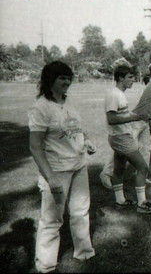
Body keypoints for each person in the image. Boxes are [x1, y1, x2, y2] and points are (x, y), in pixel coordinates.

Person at [28, 61, 96, 272]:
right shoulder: (41, 108)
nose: (67, 82)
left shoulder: (70, 103)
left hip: (79, 166)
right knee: (52, 219)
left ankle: (84, 253)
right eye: (62, 78)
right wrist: (51, 178)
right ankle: (46, 265)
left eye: (69, 78)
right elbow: (35, 147)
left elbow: (75, 130)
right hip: (57, 170)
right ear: (50, 80)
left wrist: (85, 141)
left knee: (80, 211)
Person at [104, 65, 151, 214]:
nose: (133, 80)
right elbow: (111, 119)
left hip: (120, 136)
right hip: (121, 137)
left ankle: (120, 201)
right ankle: (142, 203)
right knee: (142, 167)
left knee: (119, 168)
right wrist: (134, 117)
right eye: (129, 77)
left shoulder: (119, 94)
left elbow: (119, 115)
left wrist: (131, 116)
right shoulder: (114, 95)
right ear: (121, 78)